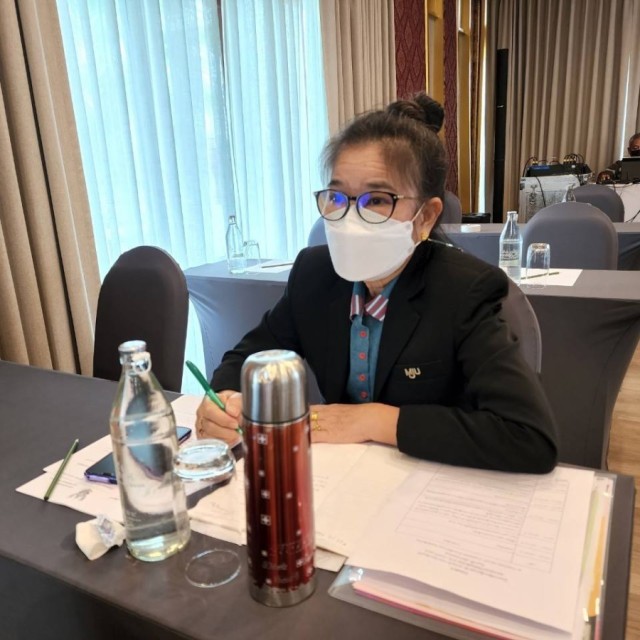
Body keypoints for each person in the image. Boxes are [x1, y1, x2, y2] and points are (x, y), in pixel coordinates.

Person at [196, 92, 558, 474]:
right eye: (337, 197)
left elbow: (530, 438)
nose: (349, 218)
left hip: (433, 478)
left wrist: (374, 420)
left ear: (425, 217)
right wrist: (223, 400)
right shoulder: (314, 275)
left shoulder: (463, 290)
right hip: (343, 477)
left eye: (377, 200)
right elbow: (247, 356)